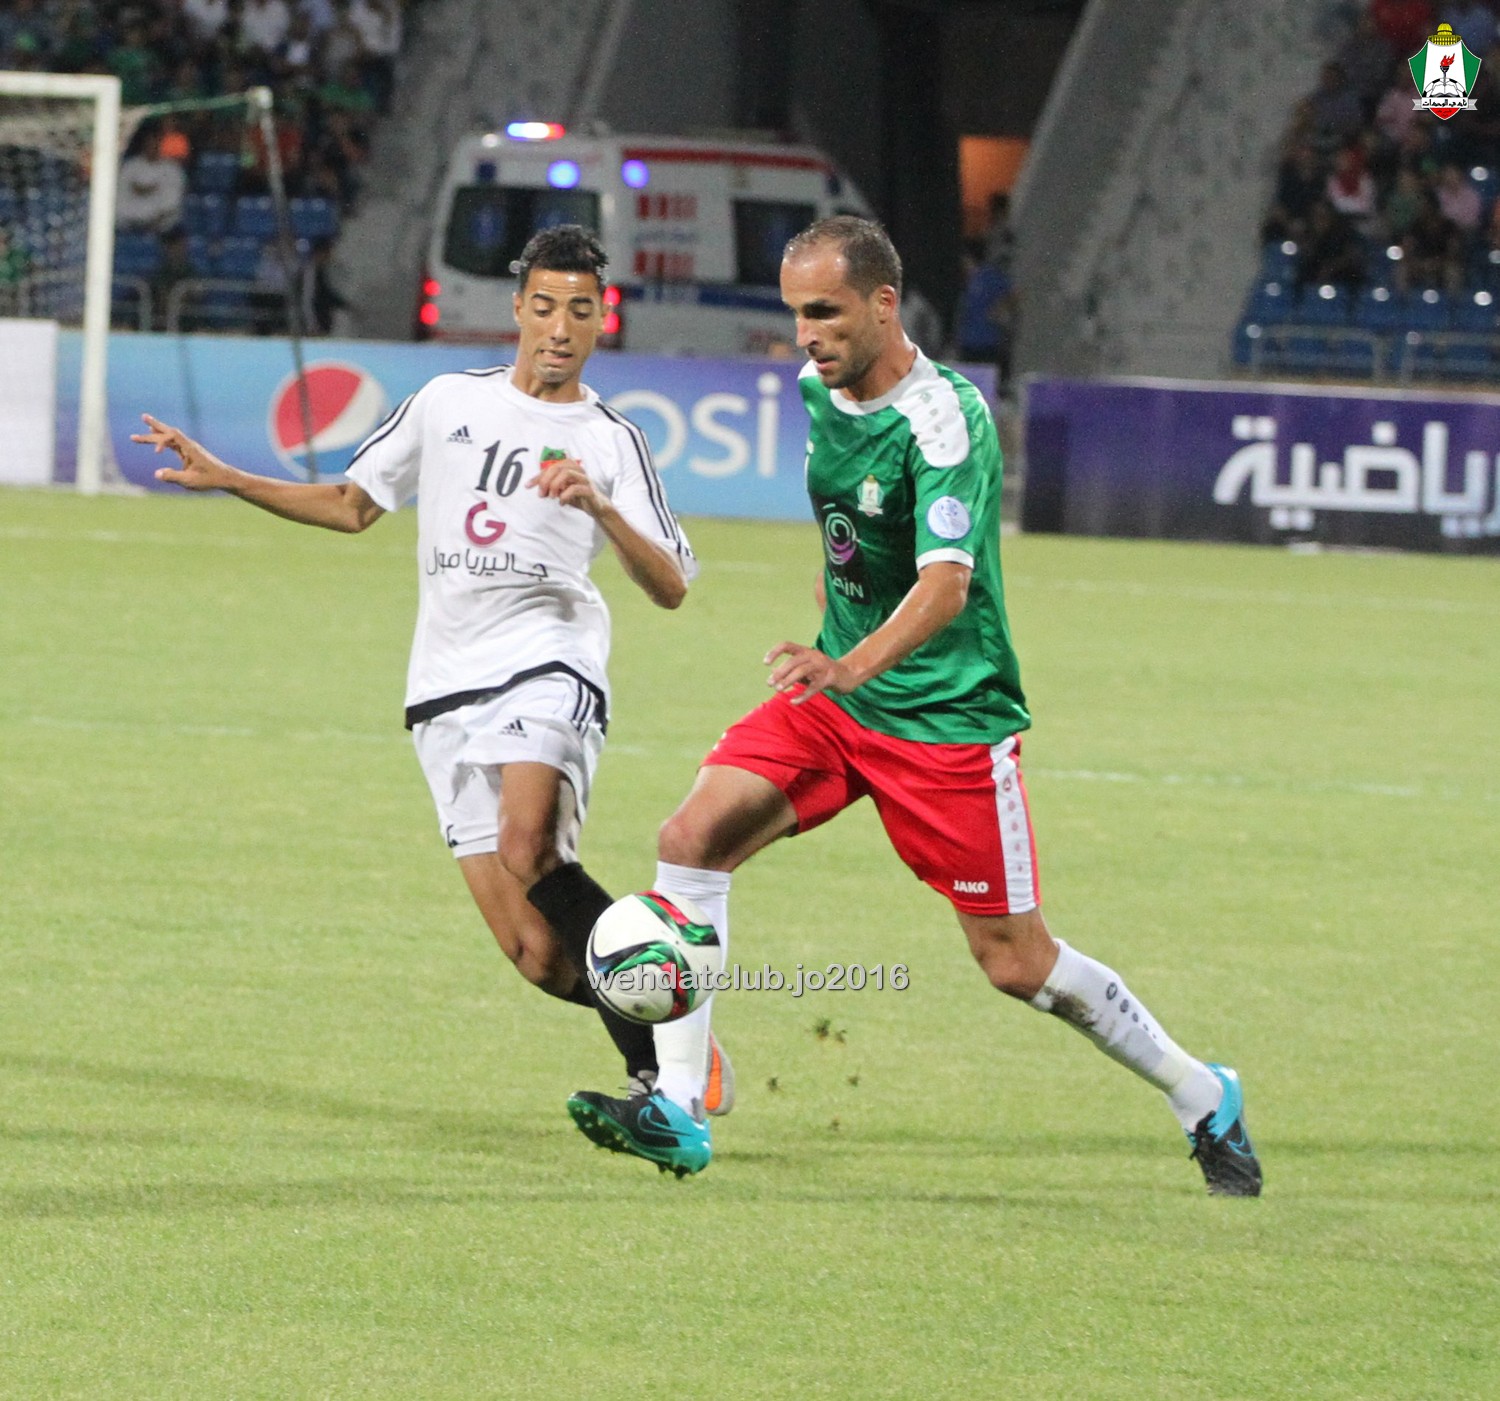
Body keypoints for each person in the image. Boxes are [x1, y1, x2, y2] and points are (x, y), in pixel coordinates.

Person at [569, 216, 1263, 1197]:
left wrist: (849, 665)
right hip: (837, 701)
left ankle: (1201, 1091)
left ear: (883, 303)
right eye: (795, 313)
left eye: (825, 312)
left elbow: (944, 585)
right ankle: (680, 1110)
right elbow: (850, 531)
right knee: (689, 840)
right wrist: (839, 629)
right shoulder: (820, 388)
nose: (805, 335)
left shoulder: (946, 421)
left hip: (945, 723)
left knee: (1016, 962)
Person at [132, 225, 732, 1158]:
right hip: (443, 689)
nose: (560, 328)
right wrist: (227, 478)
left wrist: (600, 506)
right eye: (545, 307)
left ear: (601, 320)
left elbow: (672, 585)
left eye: (579, 311)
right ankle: (669, 1023)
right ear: (518, 309)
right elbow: (352, 506)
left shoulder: (611, 439)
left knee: (532, 846)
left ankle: (667, 1082)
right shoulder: (447, 400)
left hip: (549, 660)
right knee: (536, 955)